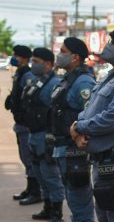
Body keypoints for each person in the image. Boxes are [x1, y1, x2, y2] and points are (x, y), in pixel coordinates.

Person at [70, 28, 114, 222]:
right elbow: (89, 108)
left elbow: (113, 117)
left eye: (112, 43)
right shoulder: (110, 76)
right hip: (101, 162)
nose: (107, 46)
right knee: (104, 214)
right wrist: (77, 127)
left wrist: (78, 128)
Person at [50, 37, 96, 222]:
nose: (59, 55)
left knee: (80, 202)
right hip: (63, 148)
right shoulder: (67, 80)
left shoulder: (83, 82)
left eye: (63, 51)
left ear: (75, 57)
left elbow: (90, 114)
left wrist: (79, 136)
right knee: (73, 198)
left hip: (74, 151)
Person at [21, 48, 65, 221]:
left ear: (48, 63)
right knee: (40, 174)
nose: (33, 64)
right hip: (33, 134)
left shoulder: (54, 83)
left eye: (37, 61)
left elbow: (55, 112)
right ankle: (47, 207)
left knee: (51, 176)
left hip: (45, 136)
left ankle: (56, 211)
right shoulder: (36, 82)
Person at [4, 45, 42, 205]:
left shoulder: (28, 74)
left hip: (26, 124)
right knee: (24, 157)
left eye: (16, 55)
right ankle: (30, 188)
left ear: (24, 58)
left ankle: (36, 191)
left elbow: (29, 99)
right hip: (20, 122)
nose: (14, 58)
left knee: (29, 158)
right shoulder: (20, 72)